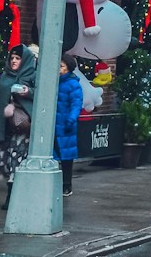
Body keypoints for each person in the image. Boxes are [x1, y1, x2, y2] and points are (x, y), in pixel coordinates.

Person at [0, 44, 37, 211]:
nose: (14, 61)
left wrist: (27, 92)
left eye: (17, 58)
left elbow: (40, 93)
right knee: (1, 160)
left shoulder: (32, 75)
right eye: (12, 58)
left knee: (16, 159)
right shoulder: (4, 77)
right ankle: (13, 185)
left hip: (20, 125)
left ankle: (11, 196)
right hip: (2, 124)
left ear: (24, 60)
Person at [55, 54, 83, 198]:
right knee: (55, 155)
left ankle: (67, 185)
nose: (59, 69)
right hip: (55, 124)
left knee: (66, 158)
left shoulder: (73, 84)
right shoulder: (54, 82)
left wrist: (71, 119)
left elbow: (76, 104)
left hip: (65, 125)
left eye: (61, 66)